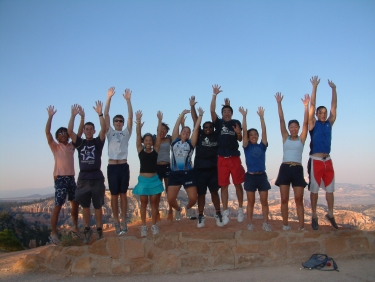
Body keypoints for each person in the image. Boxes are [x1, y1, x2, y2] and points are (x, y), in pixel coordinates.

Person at [45, 105, 84, 245]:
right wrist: (50, 117)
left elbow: (78, 134)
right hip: (60, 178)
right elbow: (47, 133)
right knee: (58, 205)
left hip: (71, 178)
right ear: (57, 137)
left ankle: (74, 227)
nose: (62, 134)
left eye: (64, 132)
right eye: (59, 133)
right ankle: (53, 233)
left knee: (75, 202)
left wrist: (80, 117)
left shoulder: (71, 146)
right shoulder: (55, 147)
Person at [68, 102, 106, 244]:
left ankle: (100, 230)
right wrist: (73, 116)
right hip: (83, 178)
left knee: (97, 205)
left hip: (96, 177)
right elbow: (70, 131)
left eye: (91, 129)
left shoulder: (97, 142)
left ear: (93, 131)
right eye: (86, 129)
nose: (88, 131)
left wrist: (100, 114)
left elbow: (104, 129)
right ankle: (86, 229)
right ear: (84, 131)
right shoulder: (80, 143)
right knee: (84, 205)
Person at [274, 92, 310, 230]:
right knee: (284, 199)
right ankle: (285, 225)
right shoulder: (285, 137)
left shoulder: (302, 139)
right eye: (291, 127)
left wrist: (306, 106)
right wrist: (279, 103)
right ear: (289, 129)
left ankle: (301, 227)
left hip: (297, 169)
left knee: (299, 200)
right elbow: (281, 119)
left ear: (298, 128)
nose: (294, 129)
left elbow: (306, 122)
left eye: (296, 127)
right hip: (284, 168)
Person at [210, 84, 245, 225]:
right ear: (222, 114)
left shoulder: (236, 123)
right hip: (222, 158)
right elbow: (212, 111)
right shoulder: (218, 123)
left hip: (234, 157)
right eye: (224, 111)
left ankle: (241, 209)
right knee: (223, 186)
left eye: (228, 111)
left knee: (238, 183)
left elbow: (240, 139)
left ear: (231, 113)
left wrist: (238, 132)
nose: (226, 113)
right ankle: (225, 212)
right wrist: (214, 95)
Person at [308, 76, 338, 230]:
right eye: (321, 112)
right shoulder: (313, 124)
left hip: (328, 160)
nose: (324, 114)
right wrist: (315, 87)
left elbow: (334, 108)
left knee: (330, 190)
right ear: (317, 114)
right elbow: (311, 106)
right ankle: (314, 215)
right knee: (314, 190)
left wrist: (333, 89)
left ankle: (331, 214)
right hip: (316, 160)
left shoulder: (329, 124)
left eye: (324, 112)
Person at [189, 95, 223, 228]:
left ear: (213, 128)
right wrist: (192, 106)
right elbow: (195, 120)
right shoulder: (200, 135)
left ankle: (218, 213)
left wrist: (225, 103)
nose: (208, 128)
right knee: (201, 193)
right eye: (206, 127)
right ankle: (201, 215)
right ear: (203, 129)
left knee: (215, 192)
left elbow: (218, 118)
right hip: (200, 170)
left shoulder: (216, 136)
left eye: (210, 127)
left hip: (214, 169)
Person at [104, 87, 133, 235]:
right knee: (114, 195)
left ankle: (123, 221)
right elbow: (106, 114)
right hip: (112, 167)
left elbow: (130, 118)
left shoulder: (126, 133)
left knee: (123, 195)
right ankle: (115, 221)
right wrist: (109, 98)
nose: (119, 122)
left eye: (120, 121)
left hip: (123, 166)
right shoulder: (110, 133)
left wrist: (128, 101)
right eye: (116, 121)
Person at [239, 106, 272, 231]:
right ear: (248, 137)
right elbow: (244, 131)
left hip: (262, 175)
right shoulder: (246, 147)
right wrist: (244, 117)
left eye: (255, 134)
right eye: (251, 135)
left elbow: (264, 133)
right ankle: (250, 223)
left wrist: (262, 118)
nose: (253, 136)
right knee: (251, 202)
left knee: (264, 201)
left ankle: (265, 223)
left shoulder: (262, 146)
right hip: (251, 176)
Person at [132, 110, 164, 236]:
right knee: (144, 203)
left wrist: (160, 121)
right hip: (143, 181)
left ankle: (154, 225)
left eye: (150, 140)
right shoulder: (140, 150)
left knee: (154, 204)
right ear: (143, 142)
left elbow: (159, 136)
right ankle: (144, 226)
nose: (148, 142)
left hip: (154, 180)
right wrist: (138, 122)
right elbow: (137, 135)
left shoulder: (156, 150)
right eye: (146, 140)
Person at [167, 108, 203, 221]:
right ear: (181, 133)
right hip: (174, 173)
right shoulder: (174, 142)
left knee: (193, 198)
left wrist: (200, 116)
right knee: (171, 199)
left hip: (188, 173)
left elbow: (196, 128)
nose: (186, 133)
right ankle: (178, 210)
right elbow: (176, 126)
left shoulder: (191, 143)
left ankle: (187, 208)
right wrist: (181, 114)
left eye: (188, 132)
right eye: (184, 131)